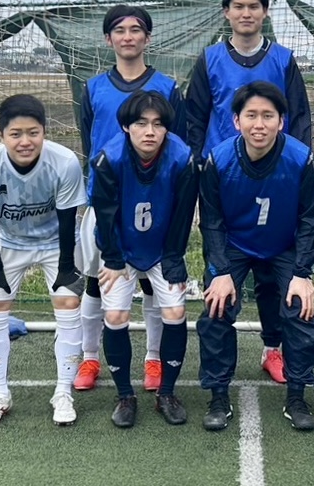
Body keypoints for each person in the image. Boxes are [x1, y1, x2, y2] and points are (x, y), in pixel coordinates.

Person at [186, 0, 312, 385]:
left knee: (274, 275)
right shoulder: (209, 59)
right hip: (226, 181)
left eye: (253, 6)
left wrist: (292, 170)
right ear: (226, 13)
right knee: (223, 266)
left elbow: (298, 118)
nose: (246, 13)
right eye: (238, 6)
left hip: (275, 180)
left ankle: (273, 349)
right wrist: (199, 167)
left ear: (265, 12)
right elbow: (195, 117)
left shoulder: (283, 59)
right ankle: (218, 374)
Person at [196, 81, 314, 431]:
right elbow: (212, 221)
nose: (259, 124)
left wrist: (302, 272)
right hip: (234, 246)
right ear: (236, 121)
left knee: (300, 308)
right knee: (216, 308)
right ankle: (218, 395)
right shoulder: (219, 159)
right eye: (251, 116)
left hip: (283, 245)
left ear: (281, 121)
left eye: (268, 116)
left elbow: (309, 218)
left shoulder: (300, 159)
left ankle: (297, 395)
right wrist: (220, 271)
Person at [74, 4, 187, 393]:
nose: (128, 36)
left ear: (147, 38)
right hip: (107, 200)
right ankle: (90, 356)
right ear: (108, 39)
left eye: (136, 29)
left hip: (154, 199)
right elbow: (90, 141)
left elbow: (176, 142)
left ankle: (153, 358)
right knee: (99, 280)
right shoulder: (93, 88)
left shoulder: (167, 87)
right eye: (119, 30)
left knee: (155, 284)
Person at [0, 94, 87, 426]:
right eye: (15, 134)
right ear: (1, 135)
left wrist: (66, 268)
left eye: (33, 132)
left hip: (55, 242)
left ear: (44, 131)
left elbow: (68, 219)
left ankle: (63, 392)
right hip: (8, 242)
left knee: (68, 303)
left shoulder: (64, 162)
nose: (25, 141)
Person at [91, 91, 198, 427]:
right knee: (116, 314)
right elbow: (104, 215)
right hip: (120, 248)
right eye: (141, 123)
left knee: (175, 311)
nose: (150, 131)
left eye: (158, 124)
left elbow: (183, 214)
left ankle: (166, 392)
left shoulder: (182, 159)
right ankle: (125, 395)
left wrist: (174, 256)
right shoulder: (109, 159)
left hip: (162, 248)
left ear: (167, 128)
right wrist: (112, 258)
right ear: (126, 126)